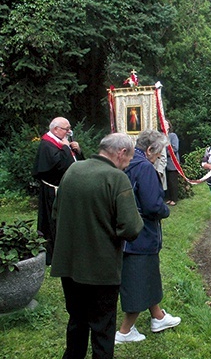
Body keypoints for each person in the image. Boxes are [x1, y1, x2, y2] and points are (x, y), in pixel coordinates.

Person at [50, 133, 143, 359]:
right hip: (101, 267)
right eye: (129, 159)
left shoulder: (73, 169)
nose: (128, 164)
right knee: (102, 328)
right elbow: (131, 228)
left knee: (77, 321)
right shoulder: (116, 178)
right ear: (121, 153)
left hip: (70, 264)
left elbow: (56, 212)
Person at [116, 130, 181, 344]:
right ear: (150, 149)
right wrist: (165, 210)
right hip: (141, 234)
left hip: (128, 230)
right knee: (138, 278)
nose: (160, 157)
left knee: (149, 274)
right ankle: (125, 331)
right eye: (159, 153)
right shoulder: (144, 167)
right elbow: (153, 205)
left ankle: (158, 317)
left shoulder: (127, 163)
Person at [33, 116, 84, 265]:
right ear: (55, 129)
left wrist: (77, 151)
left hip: (65, 187)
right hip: (52, 190)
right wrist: (66, 148)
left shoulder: (62, 142)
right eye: (66, 129)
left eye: (69, 129)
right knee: (53, 223)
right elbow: (58, 166)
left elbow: (75, 163)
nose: (69, 132)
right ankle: (55, 253)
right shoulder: (47, 144)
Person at [165, 120, 179, 206]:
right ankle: (169, 197)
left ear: (169, 126)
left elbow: (175, 148)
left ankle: (174, 198)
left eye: (165, 123)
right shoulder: (161, 136)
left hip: (172, 162)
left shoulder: (172, 136)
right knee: (167, 181)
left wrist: (164, 152)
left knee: (172, 181)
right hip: (164, 163)